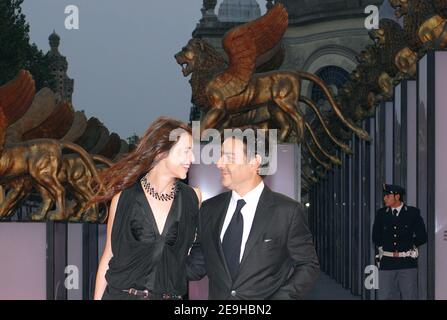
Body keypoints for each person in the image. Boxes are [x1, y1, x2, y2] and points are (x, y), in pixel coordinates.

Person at [187, 134, 320, 299]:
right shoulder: (208, 210)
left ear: (254, 162)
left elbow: (308, 265)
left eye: (229, 156)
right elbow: (198, 264)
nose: (219, 163)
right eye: (220, 156)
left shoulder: (287, 212)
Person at [92, 117, 201, 300]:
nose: (192, 158)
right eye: (186, 151)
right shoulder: (124, 199)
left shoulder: (192, 199)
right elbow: (108, 257)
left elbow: (194, 253)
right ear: (161, 152)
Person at [372, 184, 427, 300]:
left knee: (410, 296)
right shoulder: (381, 214)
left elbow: (422, 236)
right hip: (387, 263)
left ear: (397, 196)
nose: (384, 198)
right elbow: (375, 236)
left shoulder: (413, 213)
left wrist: (411, 246)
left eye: (387, 195)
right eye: (384, 196)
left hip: (407, 263)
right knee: (385, 296)